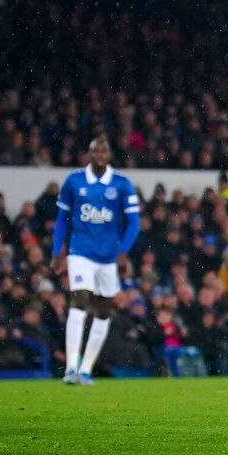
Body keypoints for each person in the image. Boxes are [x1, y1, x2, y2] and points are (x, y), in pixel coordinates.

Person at [50, 136, 141, 385]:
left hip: (109, 257)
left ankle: (86, 369)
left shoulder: (122, 184)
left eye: (104, 151)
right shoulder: (74, 181)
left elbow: (134, 222)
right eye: (95, 151)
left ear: (109, 155)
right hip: (81, 251)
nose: (100, 155)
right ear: (89, 154)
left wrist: (123, 251)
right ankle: (71, 367)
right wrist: (57, 251)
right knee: (79, 300)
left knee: (103, 311)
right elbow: (62, 219)